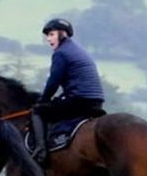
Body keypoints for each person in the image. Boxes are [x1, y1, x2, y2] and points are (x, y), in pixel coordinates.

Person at [31, 18, 105, 164]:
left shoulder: (61, 53)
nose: (48, 39)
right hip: (96, 101)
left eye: (51, 34)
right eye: (47, 36)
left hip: (79, 101)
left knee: (38, 111)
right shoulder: (78, 50)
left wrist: (43, 100)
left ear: (62, 34)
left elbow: (53, 81)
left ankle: (41, 150)